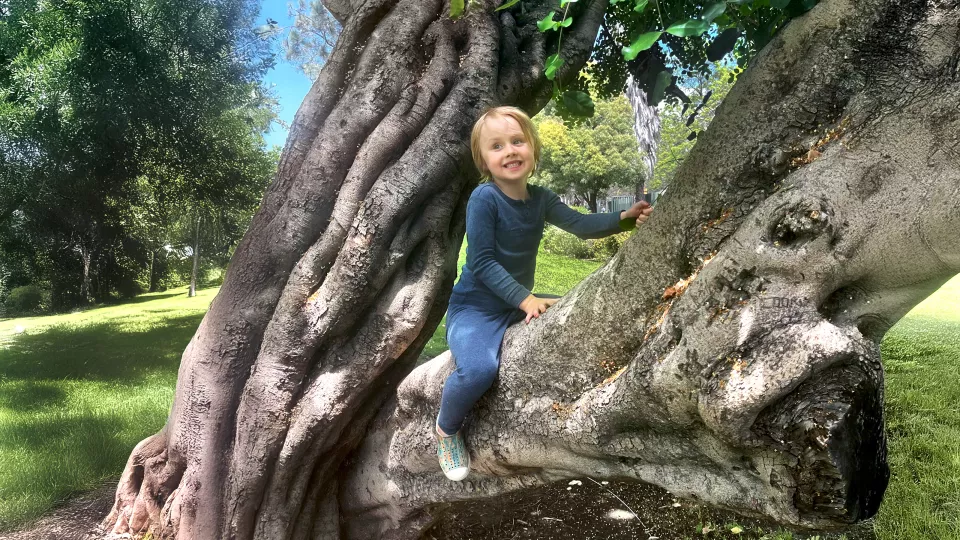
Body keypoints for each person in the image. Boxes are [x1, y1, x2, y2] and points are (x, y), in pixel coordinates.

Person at [435, 106, 653, 481]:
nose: (510, 151)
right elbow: (483, 263)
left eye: (517, 141)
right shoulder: (484, 199)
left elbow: (581, 225)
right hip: (476, 308)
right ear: (483, 160)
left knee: (583, 312)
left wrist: (623, 218)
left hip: (517, 301)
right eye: (497, 146)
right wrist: (526, 300)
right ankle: (446, 429)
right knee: (478, 370)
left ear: (533, 148)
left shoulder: (541, 199)